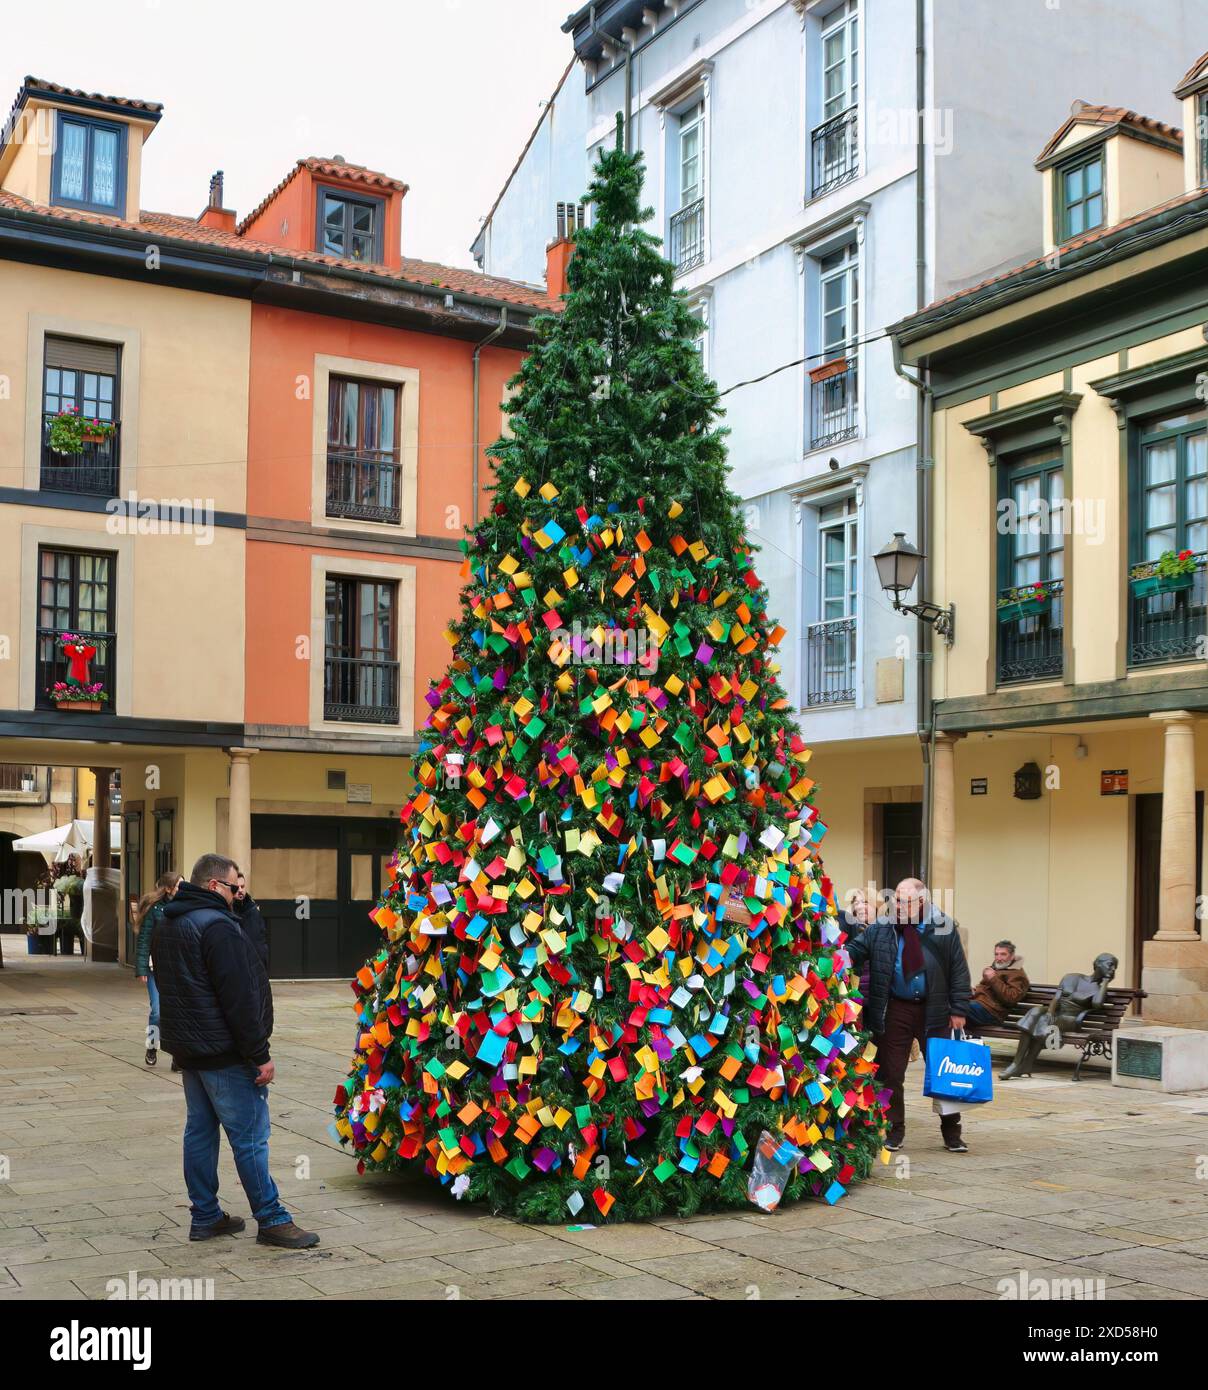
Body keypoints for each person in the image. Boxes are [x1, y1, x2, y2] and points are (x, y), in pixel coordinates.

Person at [152, 852, 318, 1249]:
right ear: (213, 885)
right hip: (225, 1052)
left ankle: (205, 1215)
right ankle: (272, 1218)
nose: (236, 893)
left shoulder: (170, 922)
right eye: (232, 887)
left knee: (200, 1132)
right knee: (250, 1138)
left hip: (191, 1051)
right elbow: (238, 998)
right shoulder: (217, 927)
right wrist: (258, 1053)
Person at [848, 877, 973, 1154]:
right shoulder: (881, 928)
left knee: (943, 1072)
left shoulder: (943, 927)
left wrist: (959, 1009)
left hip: (935, 1009)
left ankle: (952, 1132)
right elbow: (855, 951)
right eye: (895, 901)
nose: (898, 907)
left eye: (904, 902)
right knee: (892, 1072)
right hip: (896, 1008)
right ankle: (894, 1130)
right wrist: (831, 954)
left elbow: (959, 970)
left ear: (921, 901)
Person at [1002, 952, 1118, 1080]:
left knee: (1042, 1022)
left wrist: (1106, 982)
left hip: (1072, 1019)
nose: (1112, 969)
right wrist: (1050, 1012)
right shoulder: (1072, 977)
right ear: (1097, 964)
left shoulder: (1098, 990)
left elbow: (1096, 1004)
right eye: (1110, 965)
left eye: (1114, 968)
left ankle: (1017, 1065)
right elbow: (1056, 998)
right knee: (1036, 1012)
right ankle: (1021, 1064)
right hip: (1057, 1013)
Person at [134, 870, 182, 1067]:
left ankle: (178, 1056)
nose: (182, 889)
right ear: (169, 889)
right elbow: (144, 939)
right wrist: (142, 968)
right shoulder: (155, 909)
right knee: (158, 1011)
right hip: (157, 968)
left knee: (179, 1012)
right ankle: (152, 1045)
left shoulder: (184, 907)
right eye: (179, 885)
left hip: (178, 969)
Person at [965, 940, 1029, 1030]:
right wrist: (974, 991)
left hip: (992, 1013)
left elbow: (1011, 998)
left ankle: (952, 1042)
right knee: (950, 1004)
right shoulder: (997, 968)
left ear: (1012, 956)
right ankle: (951, 1041)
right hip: (980, 1006)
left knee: (957, 1008)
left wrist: (993, 978)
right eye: (996, 954)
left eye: (1003, 954)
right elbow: (986, 992)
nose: (998, 958)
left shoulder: (1018, 974)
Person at [232, 871, 269, 971]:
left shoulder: (253, 909)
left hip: (257, 966)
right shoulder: (227, 911)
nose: (240, 890)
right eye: (237, 887)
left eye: (242, 886)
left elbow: (260, 938)